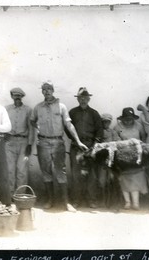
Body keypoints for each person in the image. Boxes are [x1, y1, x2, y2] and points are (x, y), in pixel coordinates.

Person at [30, 81, 88, 212]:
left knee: (60, 172)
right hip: (42, 143)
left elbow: (69, 125)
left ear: (53, 90)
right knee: (46, 172)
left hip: (58, 143)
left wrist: (78, 141)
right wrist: (37, 128)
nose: (46, 91)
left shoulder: (61, 106)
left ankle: (65, 202)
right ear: (42, 91)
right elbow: (32, 120)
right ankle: (50, 200)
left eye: (49, 89)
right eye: (44, 89)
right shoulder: (38, 107)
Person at [68, 87, 103, 209]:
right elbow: (67, 129)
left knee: (92, 175)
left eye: (85, 98)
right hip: (76, 147)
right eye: (80, 98)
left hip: (90, 148)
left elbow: (99, 130)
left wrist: (94, 145)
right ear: (77, 99)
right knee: (76, 174)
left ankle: (92, 200)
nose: (83, 100)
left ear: (89, 99)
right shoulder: (72, 112)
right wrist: (75, 141)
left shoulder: (94, 113)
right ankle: (76, 200)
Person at [114, 107, 148, 210]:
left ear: (133, 118)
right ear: (122, 119)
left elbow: (143, 138)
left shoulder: (138, 126)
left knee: (136, 177)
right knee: (124, 178)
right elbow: (116, 140)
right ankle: (127, 202)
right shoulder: (117, 127)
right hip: (123, 155)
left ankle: (136, 203)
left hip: (136, 154)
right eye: (126, 119)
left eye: (130, 119)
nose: (128, 121)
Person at [5, 87, 34, 197]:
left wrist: (30, 144)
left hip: (23, 142)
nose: (17, 98)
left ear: (22, 97)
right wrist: (4, 136)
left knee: (22, 170)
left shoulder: (28, 110)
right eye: (15, 96)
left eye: (19, 96)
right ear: (12, 96)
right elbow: (3, 124)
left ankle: (20, 195)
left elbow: (31, 128)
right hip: (10, 142)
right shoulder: (6, 109)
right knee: (10, 169)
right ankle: (10, 194)